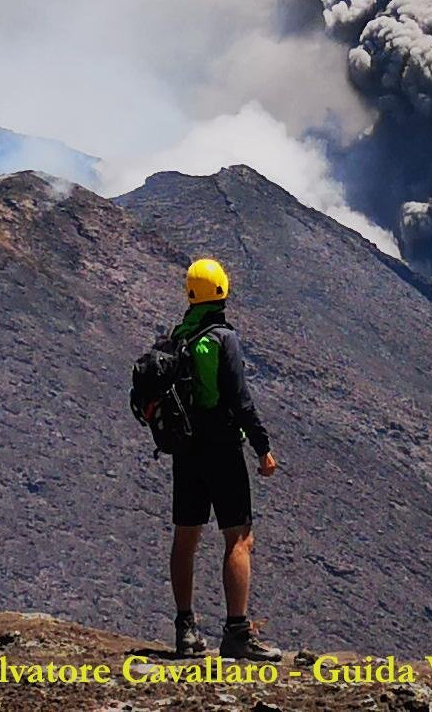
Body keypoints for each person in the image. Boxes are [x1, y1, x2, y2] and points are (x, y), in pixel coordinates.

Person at [167, 258, 281, 661]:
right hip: (221, 448)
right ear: (223, 291)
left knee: (186, 537)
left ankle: (185, 631)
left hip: (185, 449)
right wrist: (262, 447)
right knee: (238, 537)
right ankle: (236, 632)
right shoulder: (221, 338)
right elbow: (239, 399)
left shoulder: (178, 337)